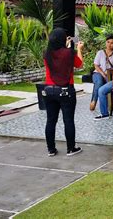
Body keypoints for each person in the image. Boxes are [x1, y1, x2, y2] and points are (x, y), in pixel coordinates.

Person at [43, 28, 83, 157]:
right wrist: (79, 49)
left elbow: (57, 57)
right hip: (66, 91)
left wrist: (66, 48)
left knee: (50, 121)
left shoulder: (46, 53)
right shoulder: (69, 53)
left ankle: (51, 149)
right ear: (62, 39)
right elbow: (79, 64)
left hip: (49, 90)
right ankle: (71, 148)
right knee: (68, 120)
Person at [90, 35, 113, 111]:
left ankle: (112, 101)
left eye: (112, 43)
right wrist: (103, 74)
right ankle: (94, 101)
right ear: (105, 42)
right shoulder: (100, 52)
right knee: (99, 82)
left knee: (109, 83)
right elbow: (96, 65)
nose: (109, 44)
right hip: (98, 73)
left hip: (111, 75)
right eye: (108, 42)